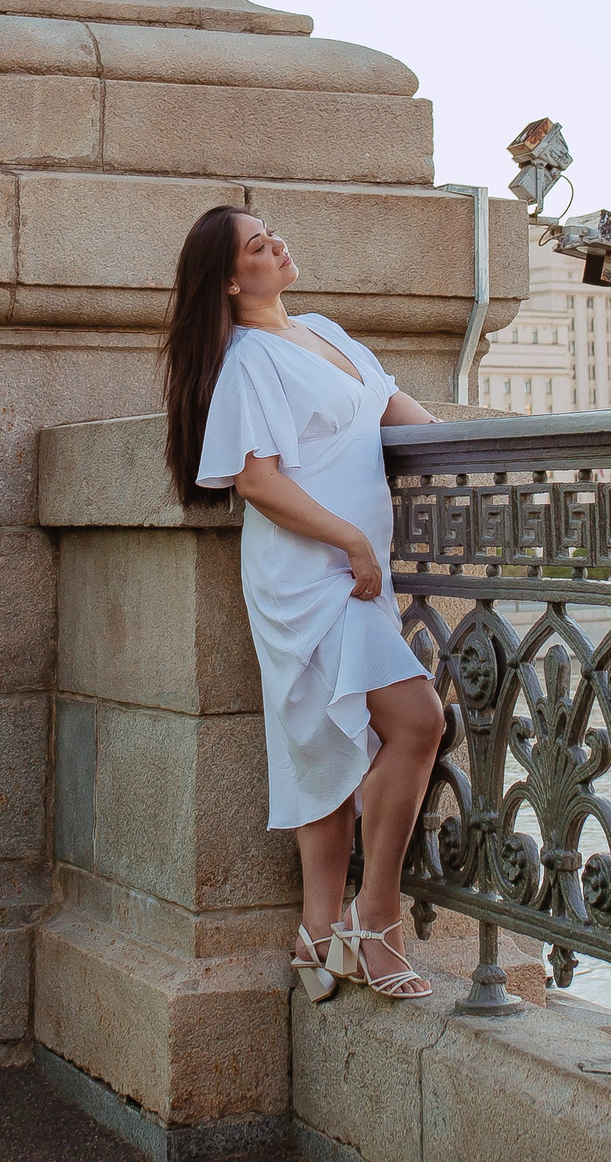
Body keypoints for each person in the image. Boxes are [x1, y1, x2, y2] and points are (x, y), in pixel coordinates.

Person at [162, 207, 441, 1003]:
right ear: (229, 281)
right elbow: (257, 479)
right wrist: (353, 541)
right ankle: (375, 920)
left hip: (355, 571)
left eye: (272, 233)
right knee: (416, 721)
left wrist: (464, 447)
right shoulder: (249, 361)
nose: (277, 244)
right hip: (309, 573)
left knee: (325, 743)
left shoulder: (324, 330)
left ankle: (319, 934)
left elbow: (390, 407)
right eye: (257, 246)